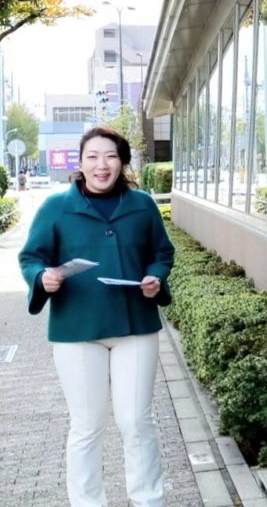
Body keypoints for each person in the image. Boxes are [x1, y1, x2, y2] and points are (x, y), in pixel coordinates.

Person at [19, 126, 174, 507]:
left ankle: (148, 500)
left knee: (136, 422)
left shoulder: (143, 204)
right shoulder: (55, 207)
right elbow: (31, 258)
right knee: (87, 426)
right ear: (80, 162)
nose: (101, 165)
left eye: (110, 156)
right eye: (92, 156)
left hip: (135, 326)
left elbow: (162, 252)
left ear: (123, 162)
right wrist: (43, 278)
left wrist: (156, 277)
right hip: (77, 330)